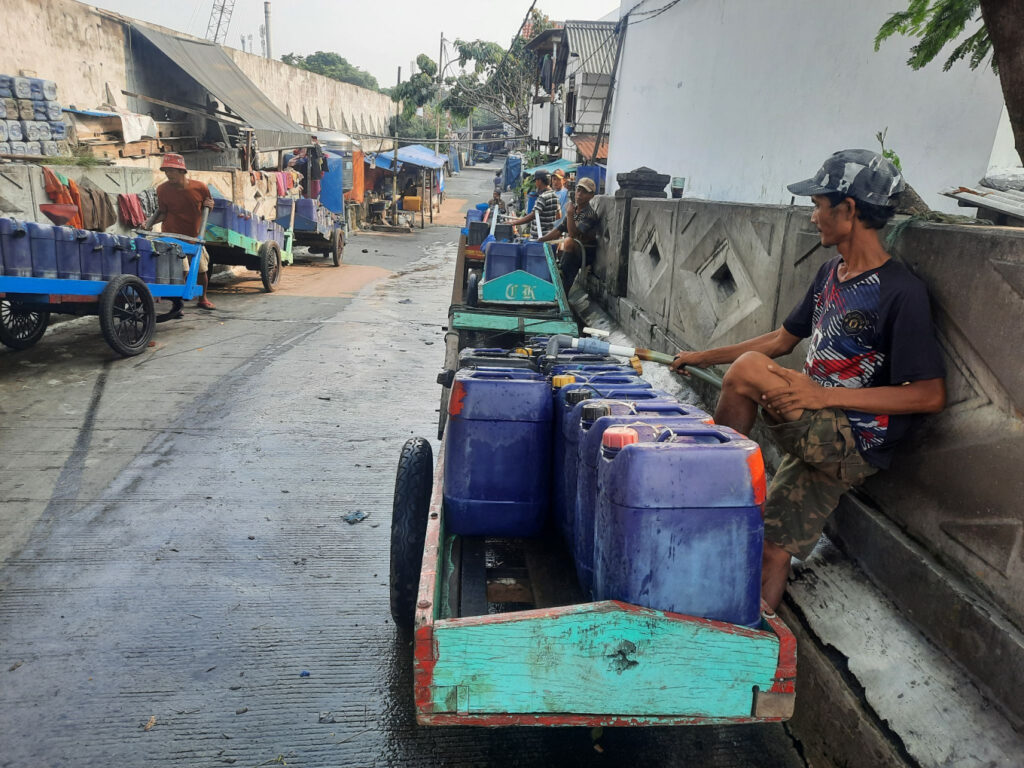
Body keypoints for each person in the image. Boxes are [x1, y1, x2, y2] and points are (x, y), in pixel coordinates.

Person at [670, 149, 946, 610]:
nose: (814, 216)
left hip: (852, 439)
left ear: (850, 209)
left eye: (819, 204)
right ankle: (757, 659)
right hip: (816, 427)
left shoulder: (901, 291)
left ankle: (711, 486)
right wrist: (701, 355)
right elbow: (781, 339)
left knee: (748, 372)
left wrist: (822, 394)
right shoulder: (829, 273)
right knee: (771, 551)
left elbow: (930, 394)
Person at [145, 153, 216, 310]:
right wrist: (148, 223)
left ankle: (203, 298)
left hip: (194, 236)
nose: (169, 174)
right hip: (171, 235)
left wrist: (210, 207)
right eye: (166, 171)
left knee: (201, 270)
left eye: (172, 171)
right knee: (181, 271)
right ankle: (178, 304)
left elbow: (208, 206)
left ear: (182, 171)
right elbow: (163, 212)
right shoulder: (162, 189)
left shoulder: (200, 187)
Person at [537, 176, 599, 292]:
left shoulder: (590, 214)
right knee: (561, 246)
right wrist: (540, 240)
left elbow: (574, 234)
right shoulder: (575, 210)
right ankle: (559, 279)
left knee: (569, 242)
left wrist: (569, 214)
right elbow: (558, 230)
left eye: (584, 192)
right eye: (578, 190)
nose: (579, 194)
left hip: (585, 252)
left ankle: (562, 283)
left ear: (591, 196)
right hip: (574, 251)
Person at [507, 170, 561, 237]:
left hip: (540, 237)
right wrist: (547, 220)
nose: (535, 183)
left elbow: (532, 216)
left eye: (536, 181)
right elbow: (559, 216)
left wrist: (512, 223)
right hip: (549, 235)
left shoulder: (543, 197)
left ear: (539, 181)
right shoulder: (555, 195)